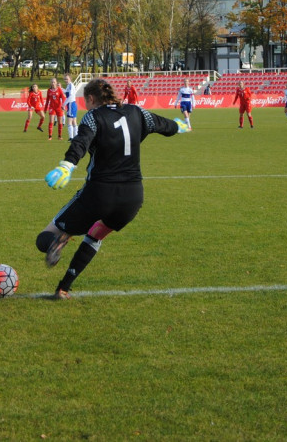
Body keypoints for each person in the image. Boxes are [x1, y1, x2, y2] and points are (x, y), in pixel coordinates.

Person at [38, 78, 191, 299]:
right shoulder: (137, 112)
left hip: (100, 193)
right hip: (132, 198)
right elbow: (164, 126)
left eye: (85, 102)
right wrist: (179, 126)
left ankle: (59, 240)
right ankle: (63, 288)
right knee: (95, 236)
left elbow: (81, 142)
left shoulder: (93, 116)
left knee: (44, 237)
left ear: (91, 99)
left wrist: (66, 165)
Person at [63, 74, 78, 139]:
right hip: (72, 104)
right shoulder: (68, 86)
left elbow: (71, 96)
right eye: (65, 79)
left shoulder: (71, 85)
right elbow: (66, 92)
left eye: (67, 79)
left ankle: (71, 138)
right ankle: (76, 137)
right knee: (74, 121)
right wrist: (60, 88)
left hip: (71, 104)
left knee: (69, 121)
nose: (65, 80)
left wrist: (63, 104)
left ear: (70, 79)